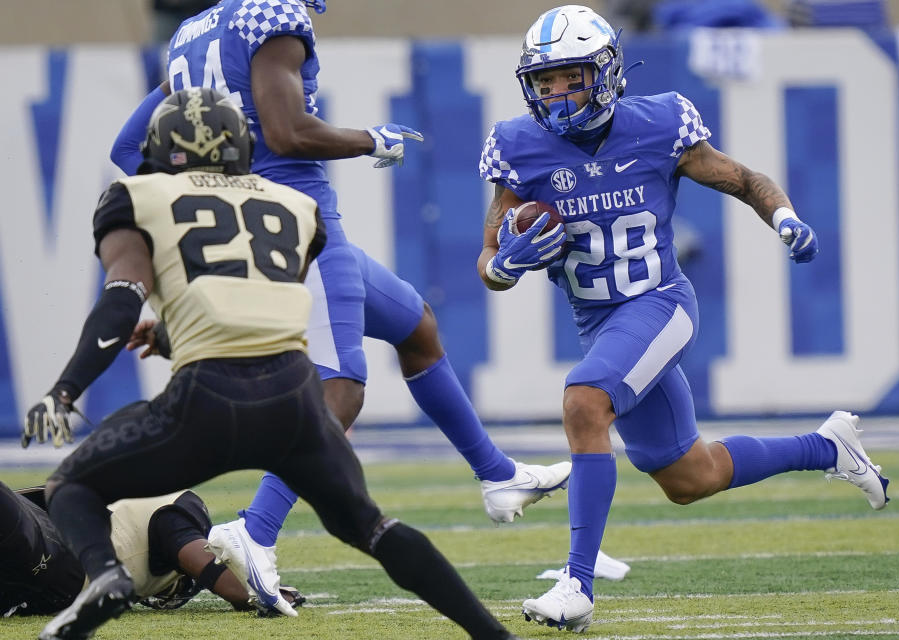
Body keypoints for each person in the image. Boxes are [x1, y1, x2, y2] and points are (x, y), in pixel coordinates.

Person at [109, 0, 571, 616]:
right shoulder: (267, 20)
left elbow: (128, 146)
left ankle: (496, 474)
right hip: (299, 225)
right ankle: (256, 530)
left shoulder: (195, 33)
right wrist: (368, 138)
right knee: (341, 387)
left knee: (415, 326)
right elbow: (288, 133)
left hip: (258, 228)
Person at [21, 87, 515, 640]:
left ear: (161, 149)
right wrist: (169, 332)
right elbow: (251, 291)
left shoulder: (137, 197)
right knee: (371, 528)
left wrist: (66, 388)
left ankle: (107, 578)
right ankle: (494, 636)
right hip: (294, 400)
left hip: (205, 399)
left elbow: (120, 299)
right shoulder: (297, 207)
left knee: (70, 486)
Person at [476, 5, 889, 633]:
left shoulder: (659, 122)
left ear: (606, 72)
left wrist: (785, 219)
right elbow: (486, 259)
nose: (557, 94)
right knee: (690, 477)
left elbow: (745, 180)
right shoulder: (517, 146)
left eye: (571, 77)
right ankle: (828, 447)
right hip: (600, 324)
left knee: (585, 401)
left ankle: (577, 586)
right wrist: (505, 265)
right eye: (546, 81)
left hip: (660, 305)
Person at [0, 478, 301, 618]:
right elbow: (220, 578)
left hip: (50, 572)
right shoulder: (174, 508)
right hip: (64, 566)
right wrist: (265, 591)